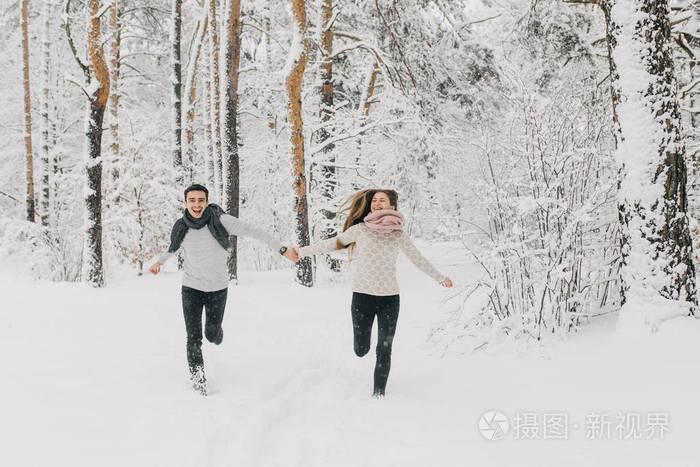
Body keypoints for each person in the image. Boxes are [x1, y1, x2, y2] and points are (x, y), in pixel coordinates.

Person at [293, 189, 453, 398]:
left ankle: (379, 394)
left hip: (390, 299)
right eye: (374, 200)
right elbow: (333, 244)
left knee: (384, 347)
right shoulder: (360, 230)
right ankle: (364, 354)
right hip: (362, 297)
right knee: (361, 350)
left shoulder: (398, 234)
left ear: (392, 206)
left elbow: (418, 258)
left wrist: (440, 277)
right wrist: (301, 252)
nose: (377, 203)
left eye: (382, 200)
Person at [149, 183, 298, 395]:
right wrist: (160, 262)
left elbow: (254, 231)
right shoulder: (181, 226)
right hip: (190, 287)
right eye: (192, 200)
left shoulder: (221, 221)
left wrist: (282, 249)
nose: (196, 205)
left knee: (211, 334)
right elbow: (172, 247)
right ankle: (198, 378)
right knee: (193, 337)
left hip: (217, 288)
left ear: (207, 202)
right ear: (185, 203)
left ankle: (216, 332)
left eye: (201, 200)